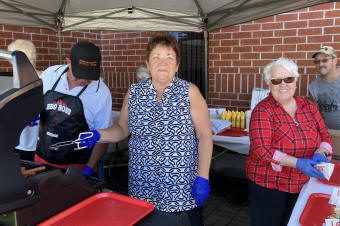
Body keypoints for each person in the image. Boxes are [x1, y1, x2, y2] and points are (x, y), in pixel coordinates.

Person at [78, 34, 212, 225]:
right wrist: (100, 134)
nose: (162, 62)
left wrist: (203, 176)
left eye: (169, 57)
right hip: (143, 183)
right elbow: (122, 129)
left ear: (177, 65)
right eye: (156, 57)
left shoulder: (190, 92)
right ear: (148, 65)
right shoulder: (134, 92)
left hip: (181, 185)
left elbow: (205, 135)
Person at [245, 57, 332, 226]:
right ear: (269, 84)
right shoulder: (263, 110)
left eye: (288, 79)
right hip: (269, 183)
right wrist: (298, 163)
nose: (283, 84)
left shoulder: (308, 106)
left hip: (303, 183)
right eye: (276, 80)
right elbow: (261, 149)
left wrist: (321, 152)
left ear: (296, 81)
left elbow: (325, 136)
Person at [34, 41, 112, 177]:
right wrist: (31, 113)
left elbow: (103, 137)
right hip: (42, 160)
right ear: (68, 62)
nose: (86, 79)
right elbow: (33, 102)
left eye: (90, 75)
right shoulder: (50, 75)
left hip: (76, 167)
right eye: (80, 74)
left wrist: (89, 168)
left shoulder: (101, 93)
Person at [8, 39, 41, 161]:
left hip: (37, 143)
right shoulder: (17, 81)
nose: (11, 64)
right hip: (19, 141)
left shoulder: (44, 79)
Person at [309, 46, 340, 130]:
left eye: (325, 60)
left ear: (335, 60)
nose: (320, 64)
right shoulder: (313, 87)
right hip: (332, 135)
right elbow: (316, 116)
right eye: (317, 61)